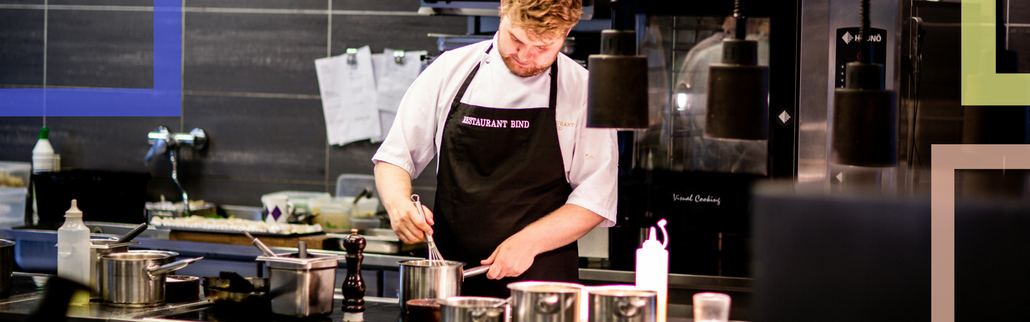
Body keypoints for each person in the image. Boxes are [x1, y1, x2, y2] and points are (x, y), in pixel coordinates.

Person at [371, 0, 617, 298]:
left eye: (543, 48)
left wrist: (529, 242)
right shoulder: (450, 70)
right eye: (516, 39)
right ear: (503, 10)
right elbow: (394, 157)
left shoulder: (582, 90)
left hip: (540, 289)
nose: (526, 56)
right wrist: (398, 203)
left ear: (567, 32)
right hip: (451, 282)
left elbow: (595, 198)